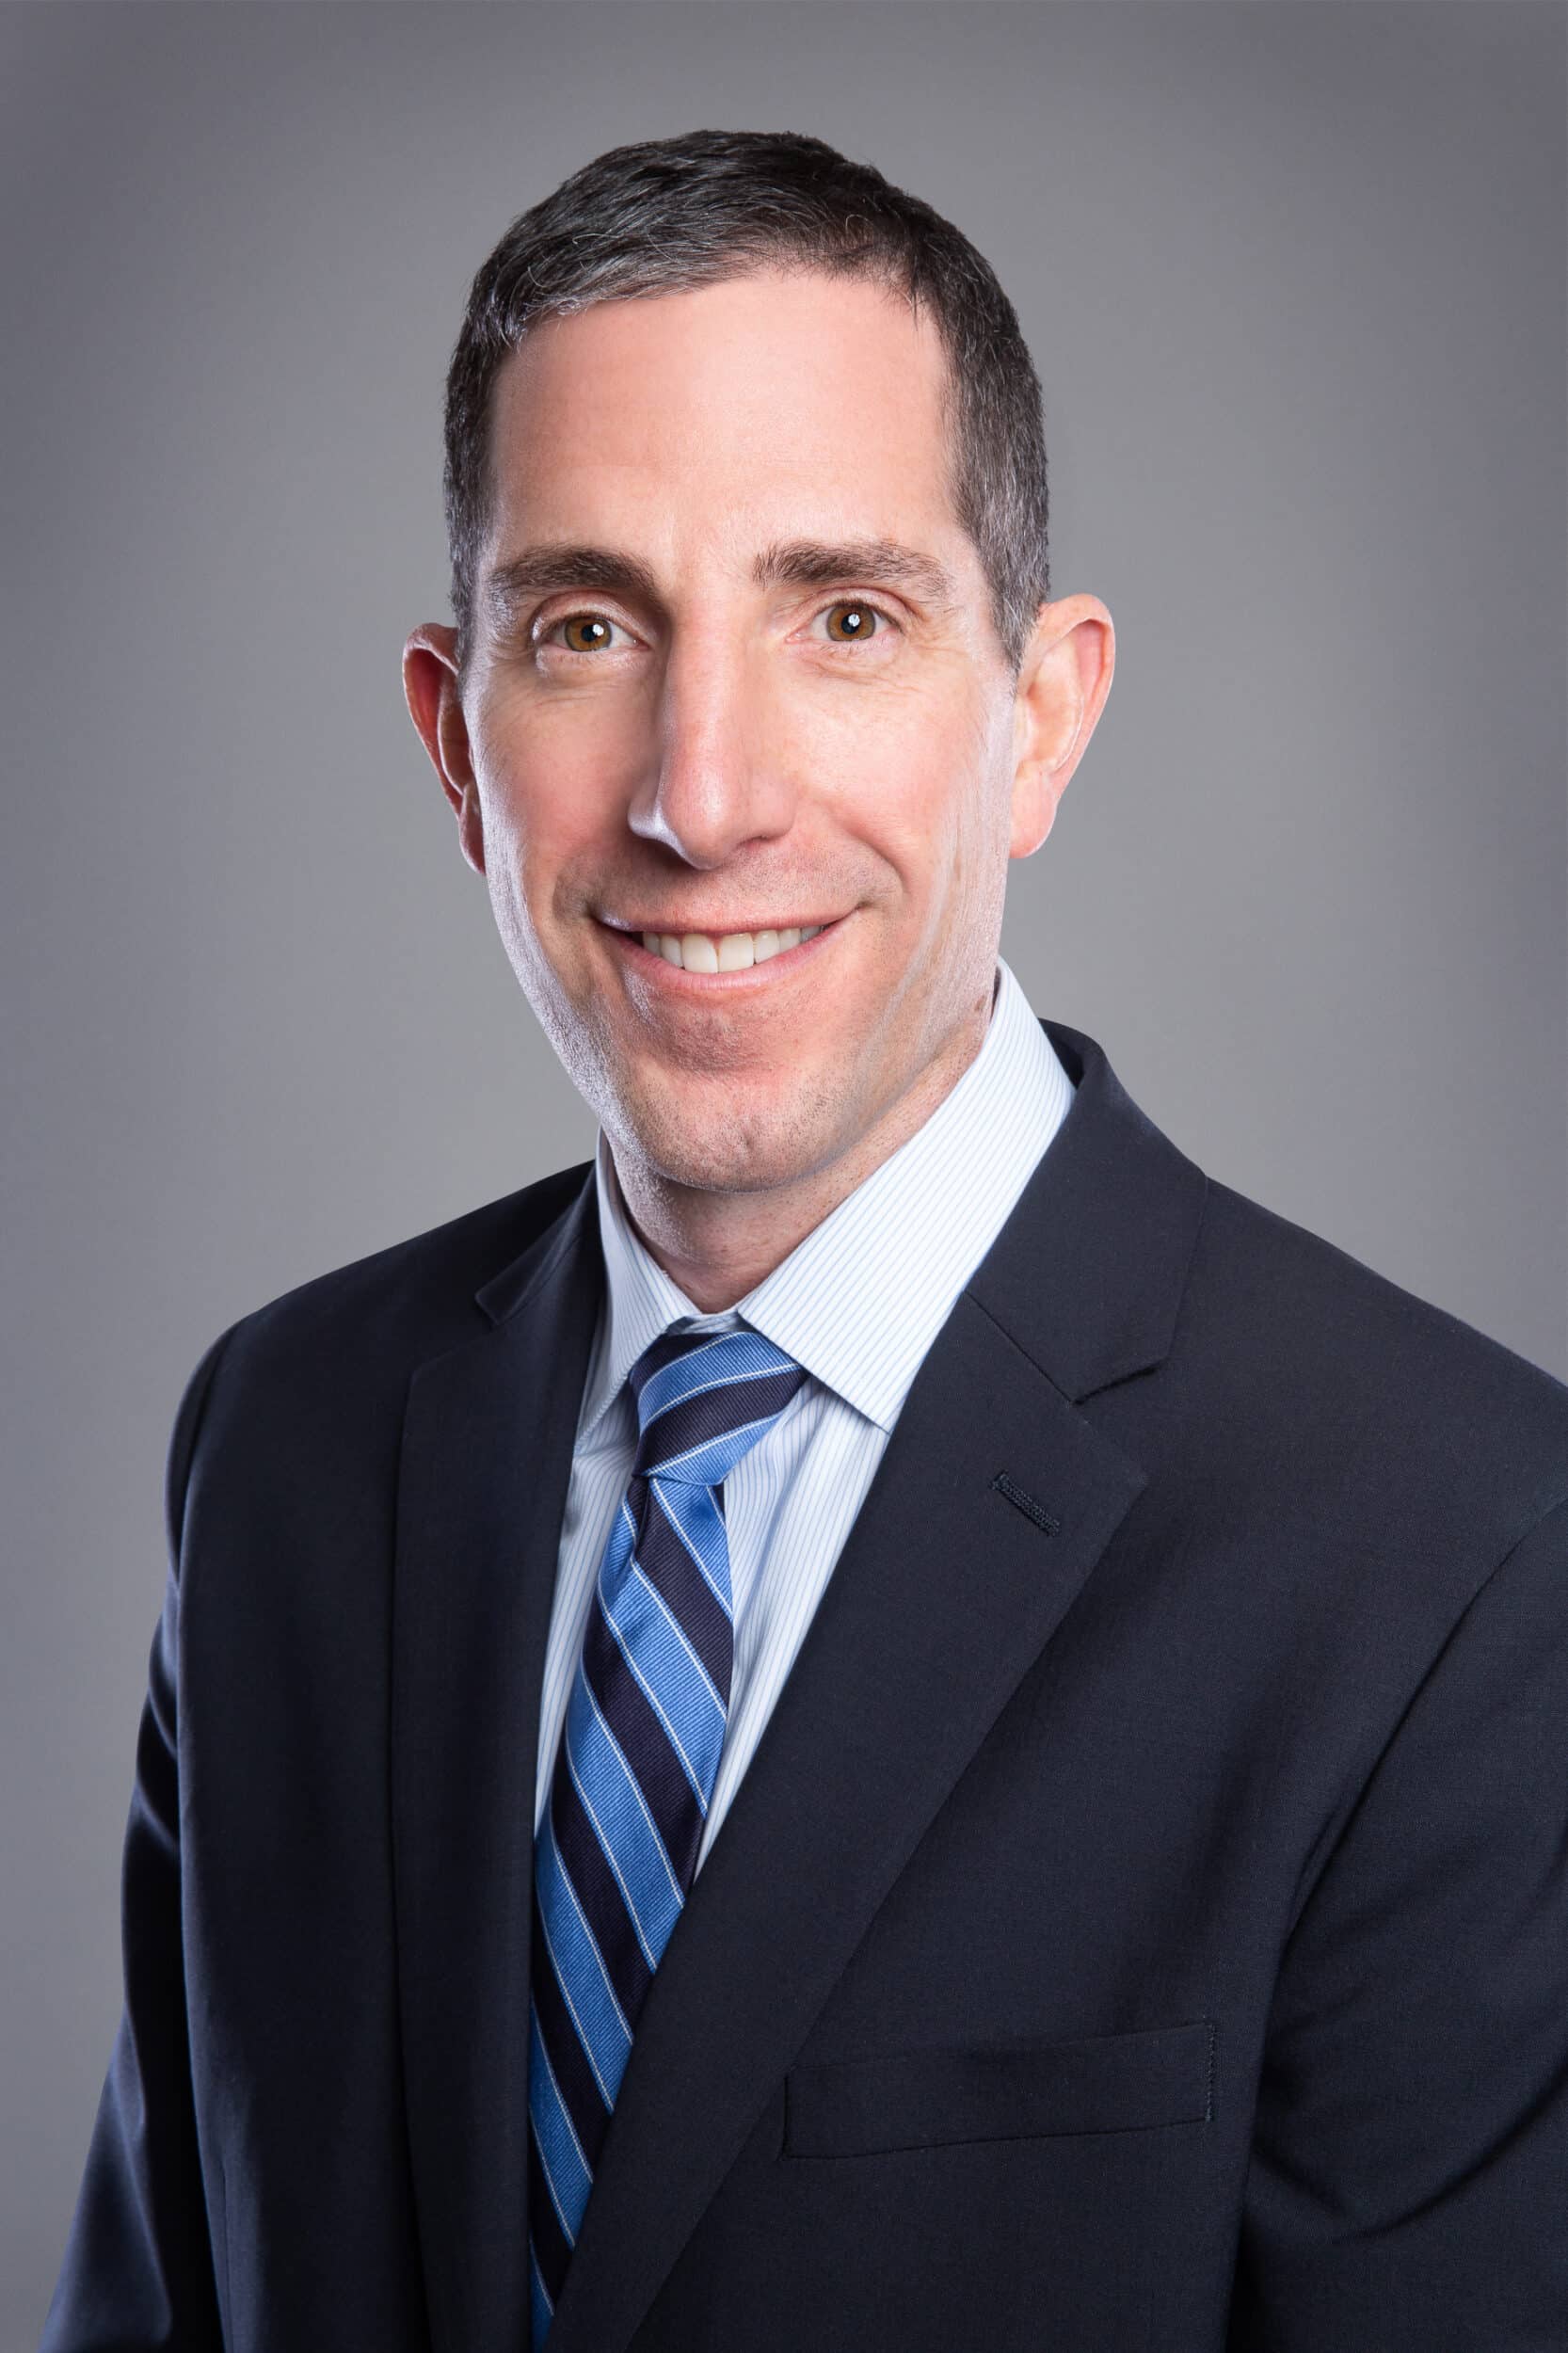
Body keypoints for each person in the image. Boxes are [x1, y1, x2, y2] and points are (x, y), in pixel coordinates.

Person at [41, 127, 1568, 2353]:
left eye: (841, 618)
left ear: (1037, 717)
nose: (701, 793)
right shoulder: (281, 1444)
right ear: (454, 741)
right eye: (586, 629)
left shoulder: (1453, 1553)